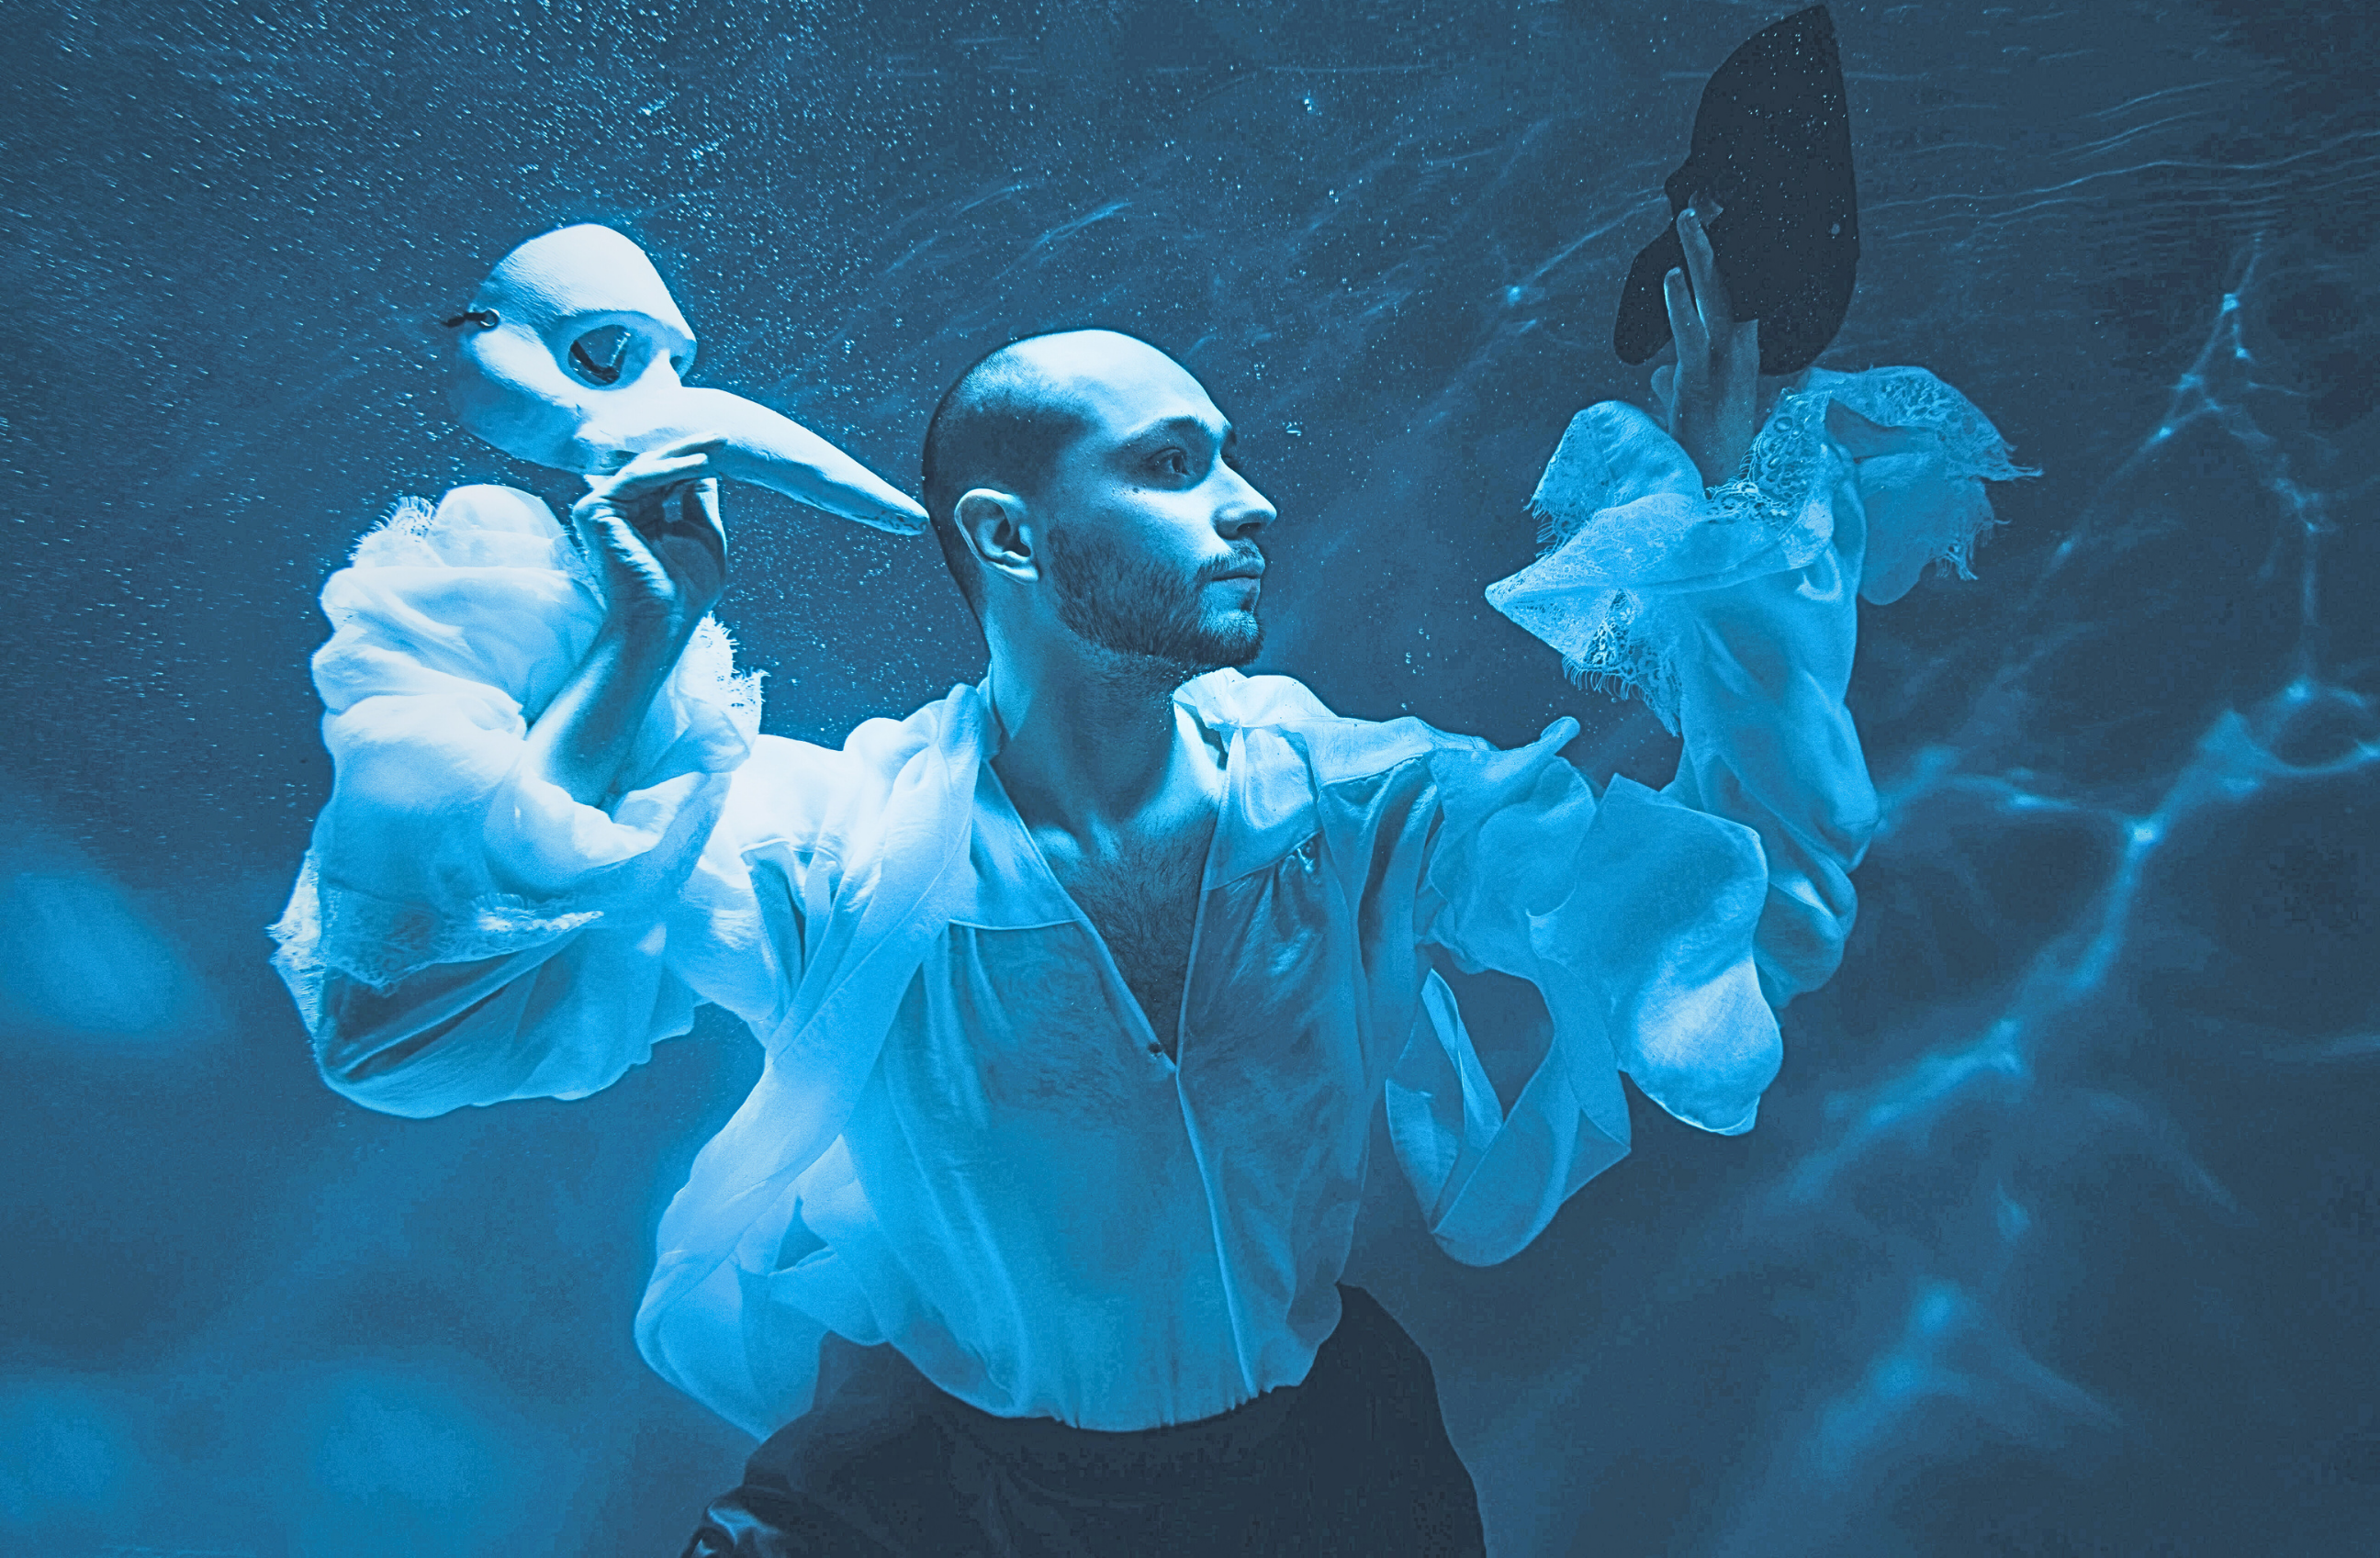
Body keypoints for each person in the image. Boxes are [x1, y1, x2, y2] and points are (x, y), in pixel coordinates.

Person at [269, 209, 2029, 1553]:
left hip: (1326, 1490)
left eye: (1233, 453)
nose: (1254, 502)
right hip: (940, 1506)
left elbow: (1757, 924)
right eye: (1178, 466)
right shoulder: (831, 850)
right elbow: (394, 1022)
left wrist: (1735, 543)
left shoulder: (1356, 810)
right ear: (1010, 541)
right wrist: (635, 656)